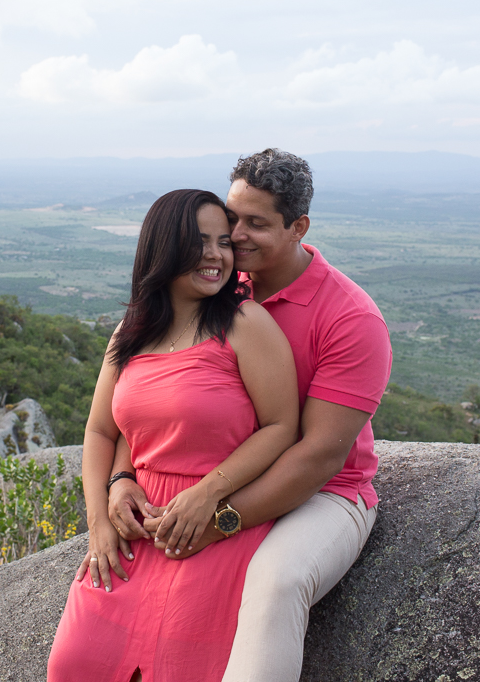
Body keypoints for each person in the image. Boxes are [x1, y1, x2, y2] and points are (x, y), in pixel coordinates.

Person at [108, 149, 392, 681]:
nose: (234, 235)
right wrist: (123, 476)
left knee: (276, 581)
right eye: (231, 217)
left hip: (323, 493)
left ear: (298, 227)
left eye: (256, 223)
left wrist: (220, 519)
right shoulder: (216, 284)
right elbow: (155, 393)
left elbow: (318, 456)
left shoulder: (350, 318)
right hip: (214, 474)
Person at [47, 189, 301, 682]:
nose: (216, 255)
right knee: (75, 663)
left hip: (212, 522)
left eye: (223, 242)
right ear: (162, 248)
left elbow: (280, 428)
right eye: (198, 241)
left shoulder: (245, 323)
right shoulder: (131, 332)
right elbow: (101, 429)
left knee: (184, 668)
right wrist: (99, 517)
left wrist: (209, 494)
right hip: (136, 526)